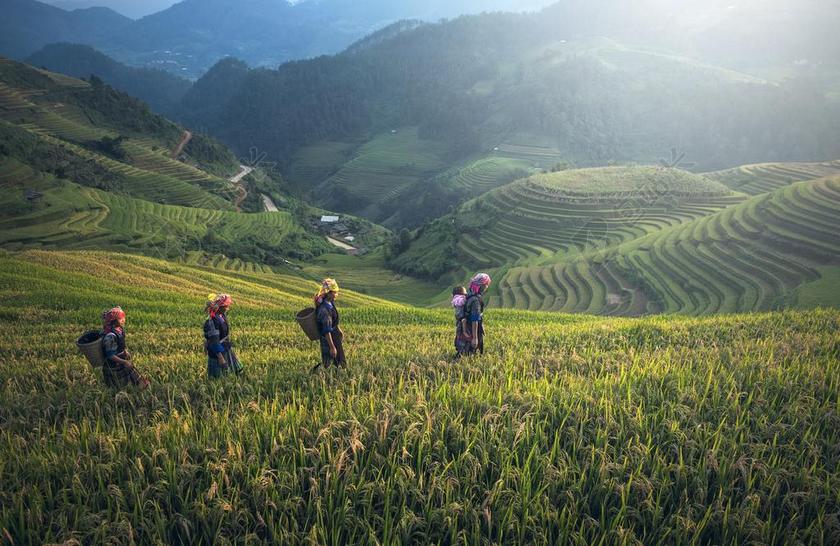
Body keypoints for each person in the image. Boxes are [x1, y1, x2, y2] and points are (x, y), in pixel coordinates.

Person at [101, 307, 150, 390]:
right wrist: (124, 362)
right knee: (118, 385)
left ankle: (140, 384)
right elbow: (110, 355)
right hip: (113, 364)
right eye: (120, 319)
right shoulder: (110, 336)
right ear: (114, 321)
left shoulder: (119, 329)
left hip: (121, 359)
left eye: (123, 318)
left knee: (131, 372)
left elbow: (120, 345)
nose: (123, 320)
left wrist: (125, 351)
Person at [203, 293, 243, 378]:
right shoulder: (212, 321)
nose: (228, 308)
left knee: (238, 371)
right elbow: (214, 341)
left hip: (226, 348)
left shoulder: (221, 315)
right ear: (220, 307)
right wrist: (221, 359)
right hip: (218, 352)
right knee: (219, 377)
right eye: (226, 306)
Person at [314, 278, 346, 371]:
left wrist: (339, 330)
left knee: (339, 360)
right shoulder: (324, 309)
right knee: (329, 361)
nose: (336, 295)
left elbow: (333, 321)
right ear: (328, 293)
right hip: (328, 339)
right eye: (335, 292)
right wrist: (332, 347)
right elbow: (326, 330)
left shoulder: (330, 303)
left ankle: (337, 374)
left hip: (334, 335)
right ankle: (320, 374)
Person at [465, 273, 491, 355]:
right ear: (482, 286)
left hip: (466, 327)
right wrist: (475, 338)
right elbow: (475, 319)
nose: (487, 287)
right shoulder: (476, 300)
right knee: (473, 353)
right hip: (473, 329)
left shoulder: (470, 295)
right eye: (486, 285)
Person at [452, 286, 470, 358]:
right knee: (463, 339)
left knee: (460, 338)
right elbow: (463, 318)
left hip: (460, 323)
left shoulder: (456, 301)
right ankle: (462, 354)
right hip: (462, 323)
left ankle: (461, 353)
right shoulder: (461, 301)